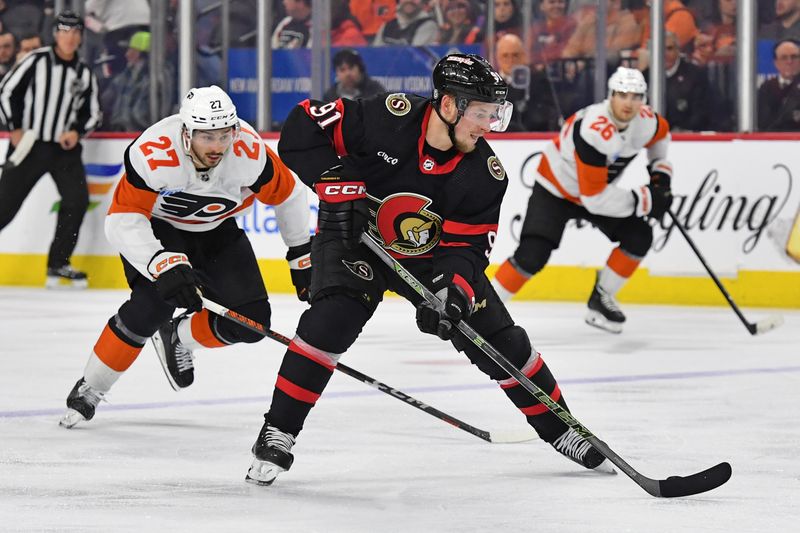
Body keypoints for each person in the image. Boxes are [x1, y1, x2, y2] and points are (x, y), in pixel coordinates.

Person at [243, 53, 616, 487]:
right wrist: (333, 180)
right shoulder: (389, 116)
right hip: (353, 237)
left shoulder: (485, 174)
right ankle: (279, 432)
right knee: (332, 321)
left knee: (503, 341)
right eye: (481, 113)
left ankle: (563, 429)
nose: (488, 125)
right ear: (448, 104)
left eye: (496, 115)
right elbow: (302, 127)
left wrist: (452, 291)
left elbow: (467, 247)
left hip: (427, 257)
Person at [59, 86, 312, 428]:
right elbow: (122, 219)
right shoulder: (153, 153)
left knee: (252, 322)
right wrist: (161, 262)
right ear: (186, 132)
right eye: (207, 136)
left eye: (225, 134)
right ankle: (92, 385)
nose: (218, 146)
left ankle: (179, 337)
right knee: (153, 305)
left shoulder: (249, 153)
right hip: (160, 229)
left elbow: (291, 194)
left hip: (217, 232)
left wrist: (300, 254)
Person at [491, 67, 673, 334]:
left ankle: (601, 298)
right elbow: (595, 199)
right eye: (622, 95)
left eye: (636, 96)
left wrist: (660, 175)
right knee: (533, 254)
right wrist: (645, 200)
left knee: (639, 236)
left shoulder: (647, 122)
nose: (628, 103)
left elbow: (661, 140)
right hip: (556, 187)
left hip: (595, 189)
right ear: (611, 96)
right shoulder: (594, 130)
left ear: (643, 100)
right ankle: (485, 308)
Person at [0, 10, 101, 289]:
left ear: (80, 37)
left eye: (75, 32)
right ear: (56, 34)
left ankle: (58, 264)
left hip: (63, 151)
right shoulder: (36, 60)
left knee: (76, 201)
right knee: (4, 207)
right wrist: (16, 127)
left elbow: (93, 113)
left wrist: (76, 132)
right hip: (30, 144)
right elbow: (7, 91)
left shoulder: (83, 72)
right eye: (64, 32)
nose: (69, 38)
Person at [642, 31, 711, 131]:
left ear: (678, 50)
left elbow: (702, 112)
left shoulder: (696, 75)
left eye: (669, 48)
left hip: (688, 139)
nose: (664, 54)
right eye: (659, 49)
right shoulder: (643, 78)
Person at [758, 39, 800, 131]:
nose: (789, 62)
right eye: (784, 57)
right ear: (776, 63)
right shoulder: (766, 87)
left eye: (794, 57)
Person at [372, 0, 438, 46]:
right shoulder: (388, 23)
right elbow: (375, 53)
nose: (409, 1)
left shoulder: (428, 25)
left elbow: (414, 58)